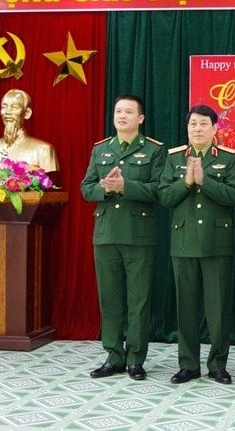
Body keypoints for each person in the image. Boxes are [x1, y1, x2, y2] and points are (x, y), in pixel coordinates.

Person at [79, 95, 166, 380]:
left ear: (140, 118)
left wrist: (126, 186)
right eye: (118, 111)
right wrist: (105, 188)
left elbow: (158, 191)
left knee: (138, 300)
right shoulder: (101, 149)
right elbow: (85, 188)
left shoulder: (154, 150)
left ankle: (135, 359)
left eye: (129, 112)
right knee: (111, 299)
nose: (122, 116)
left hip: (139, 235)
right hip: (105, 235)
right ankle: (114, 356)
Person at [158, 104, 235, 385]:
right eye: (193, 124)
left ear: (214, 128)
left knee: (218, 309)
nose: (197, 129)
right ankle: (188, 365)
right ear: (187, 128)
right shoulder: (174, 158)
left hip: (217, 243)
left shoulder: (228, 159)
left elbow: (234, 196)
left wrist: (205, 182)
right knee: (186, 307)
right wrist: (186, 182)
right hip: (183, 242)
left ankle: (218, 364)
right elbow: (165, 197)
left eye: (203, 124)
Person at [0, 88, 59, 172]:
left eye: (14, 107)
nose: (8, 112)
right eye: (4, 107)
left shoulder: (44, 150)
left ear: (27, 113)